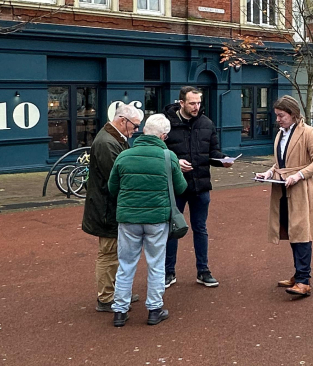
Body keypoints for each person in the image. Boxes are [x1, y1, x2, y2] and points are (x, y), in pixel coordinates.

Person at [108, 114, 187, 327]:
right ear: (164, 135)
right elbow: (181, 188)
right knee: (156, 264)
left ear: (144, 131)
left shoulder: (124, 156)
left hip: (128, 218)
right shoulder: (168, 156)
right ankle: (154, 309)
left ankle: (120, 311)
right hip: (156, 218)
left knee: (125, 264)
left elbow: (112, 188)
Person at [163, 86, 233, 289]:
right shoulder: (166, 124)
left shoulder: (207, 123)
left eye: (199, 103)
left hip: (200, 186)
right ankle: (169, 272)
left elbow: (213, 152)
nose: (196, 107)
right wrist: (175, 162)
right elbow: (158, 152)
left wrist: (223, 161)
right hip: (176, 187)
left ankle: (203, 271)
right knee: (173, 229)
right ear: (181, 103)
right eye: (192, 103)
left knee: (200, 228)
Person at [256, 95, 313, 297]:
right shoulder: (281, 133)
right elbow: (281, 163)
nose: (277, 119)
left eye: (281, 116)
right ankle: (299, 274)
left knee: (302, 233)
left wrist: (298, 175)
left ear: (293, 114)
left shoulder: (309, 133)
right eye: (276, 115)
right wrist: (269, 173)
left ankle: (304, 280)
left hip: (301, 189)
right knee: (292, 232)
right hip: (283, 190)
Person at [82, 103, 142, 313]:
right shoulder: (108, 142)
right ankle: (106, 297)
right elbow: (117, 177)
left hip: (108, 206)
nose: (135, 130)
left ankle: (116, 292)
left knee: (116, 252)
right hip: (106, 208)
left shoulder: (113, 139)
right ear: (122, 120)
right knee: (108, 253)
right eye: (134, 126)